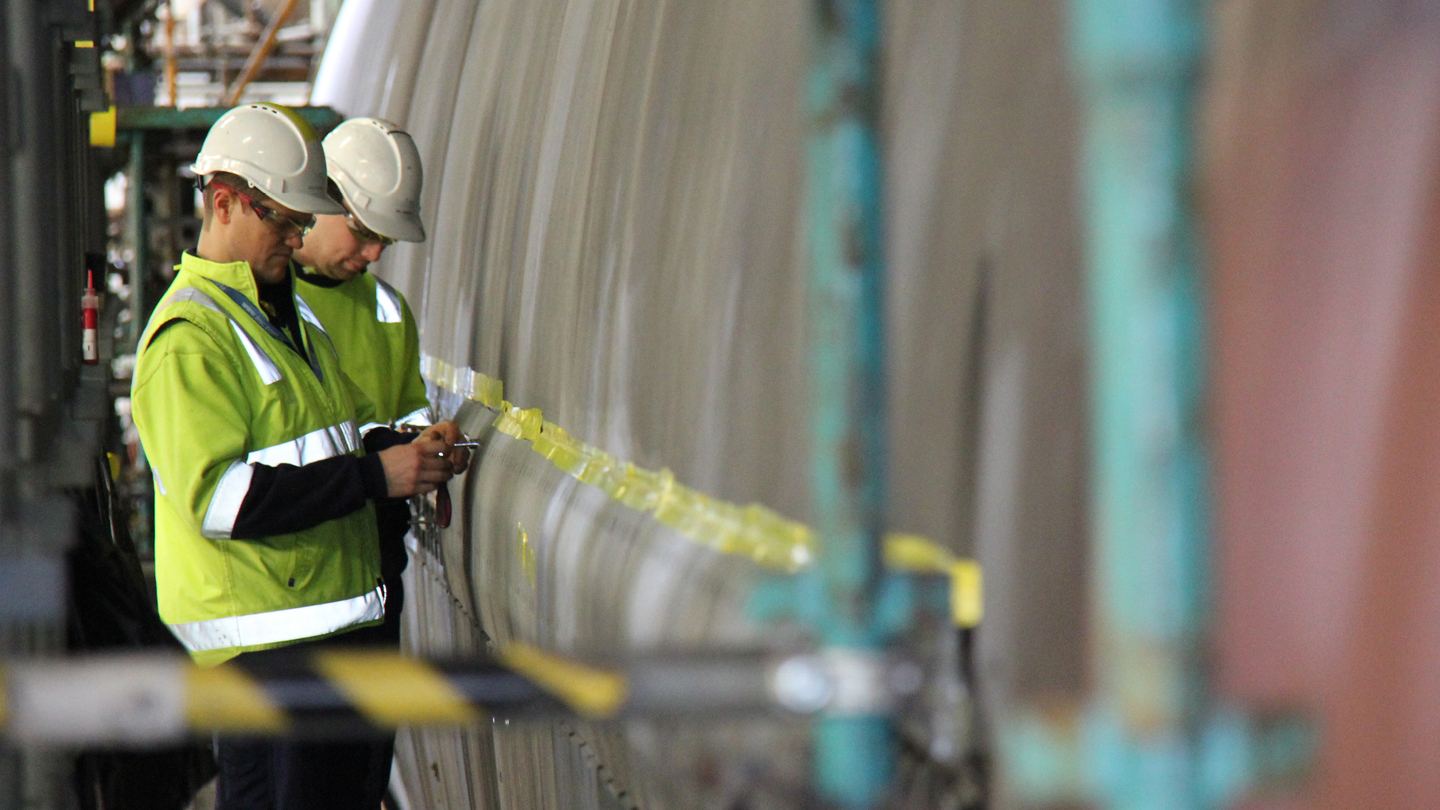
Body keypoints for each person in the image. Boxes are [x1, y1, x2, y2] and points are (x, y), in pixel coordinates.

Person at [130, 103, 467, 810]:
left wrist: (405, 452)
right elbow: (221, 501)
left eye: (300, 222)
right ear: (225, 203)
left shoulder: (282, 317)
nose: (296, 235)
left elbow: (327, 444)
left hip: (327, 636)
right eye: (283, 220)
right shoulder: (191, 337)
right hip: (269, 659)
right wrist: (378, 475)